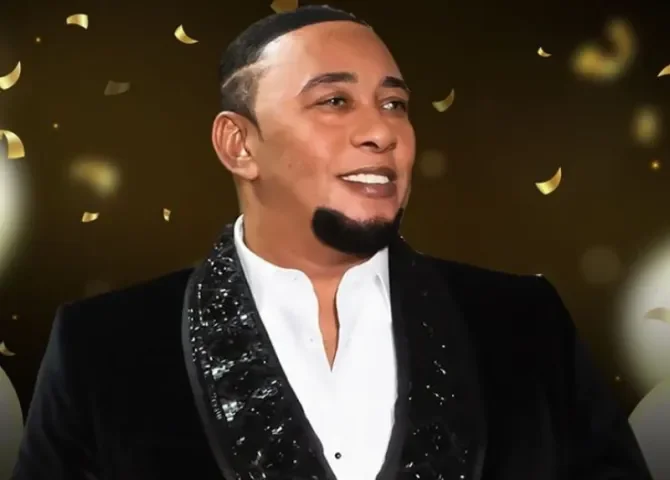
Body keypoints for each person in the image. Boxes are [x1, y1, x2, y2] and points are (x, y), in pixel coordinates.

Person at [12, 5, 652, 480]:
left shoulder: (525, 326)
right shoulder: (103, 348)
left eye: (394, 104)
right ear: (239, 144)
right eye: (335, 101)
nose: (382, 131)